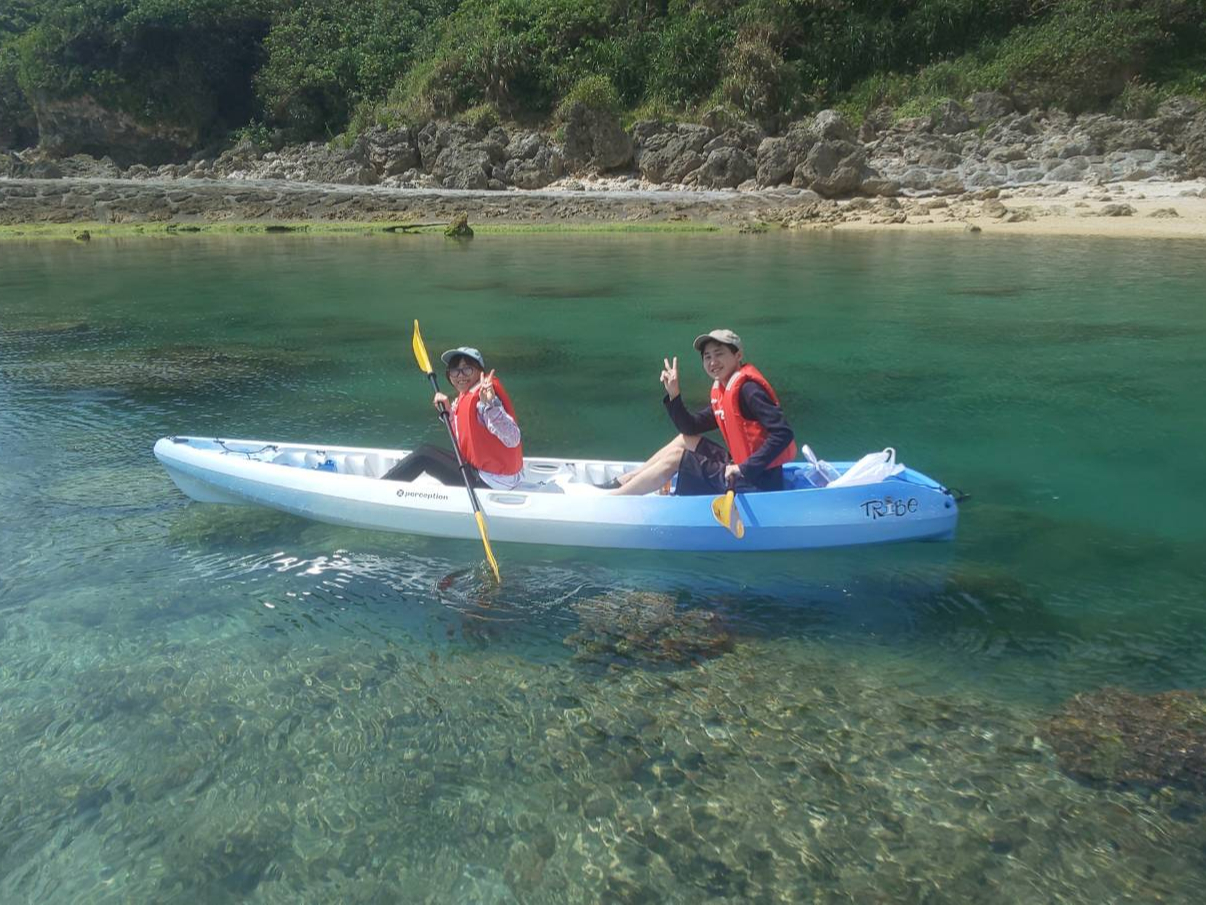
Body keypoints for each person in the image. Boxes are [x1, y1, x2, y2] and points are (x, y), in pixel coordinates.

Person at [609, 329, 796, 496]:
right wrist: (674, 395)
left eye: (719, 354)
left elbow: (783, 433)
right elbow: (690, 427)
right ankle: (629, 480)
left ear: (738, 355)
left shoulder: (749, 391)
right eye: (707, 357)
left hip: (757, 481)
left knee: (676, 458)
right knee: (685, 439)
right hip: (739, 467)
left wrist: (743, 468)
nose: (713, 362)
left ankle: (614, 500)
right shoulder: (725, 392)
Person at [383, 346, 524, 489]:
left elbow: (513, 439)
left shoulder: (486, 399)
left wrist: (491, 405)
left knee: (423, 455)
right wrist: (449, 412)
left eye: (467, 369)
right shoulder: (466, 395)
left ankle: (381, 488)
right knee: (426, 451)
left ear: (480, 372)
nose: (460, 376)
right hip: (481, 471)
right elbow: (464, 437)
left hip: (492, 482)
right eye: (455, 370)